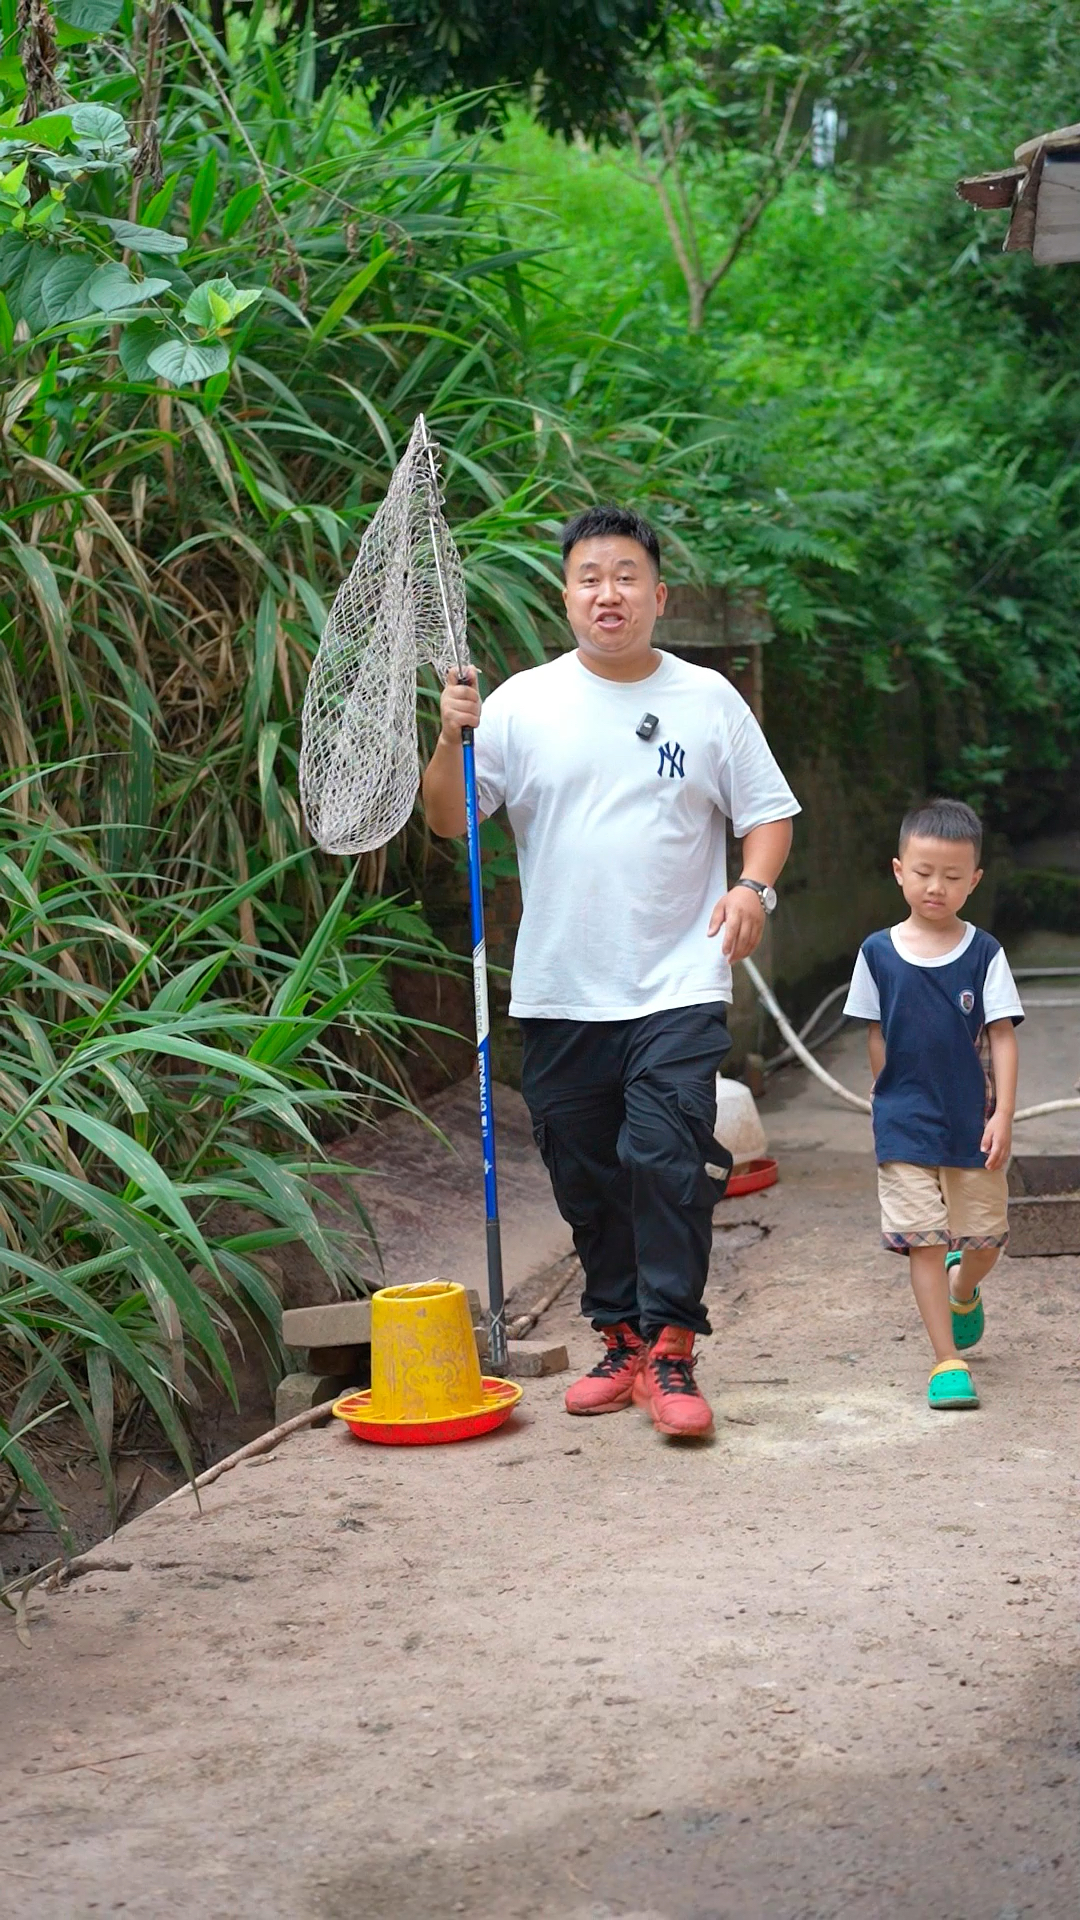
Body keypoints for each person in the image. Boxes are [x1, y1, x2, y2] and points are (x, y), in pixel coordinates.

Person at [422, 503, 799, 1439]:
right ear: (566, 596)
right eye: (590, 577)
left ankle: (672, 1346)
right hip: (559, 987)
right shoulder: (516, 705)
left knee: (665, 1157)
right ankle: (621, 1334)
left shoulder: (708, 699)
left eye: (626, 575)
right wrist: (448, 736)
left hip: (678, 980)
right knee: (585, 1172)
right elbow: (448, 821)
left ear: (658, 594)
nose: (608, 593)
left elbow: (768, 812)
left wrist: (754, 888)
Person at [843, 798, 1024, 1411]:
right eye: (923, 873)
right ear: (899, 870)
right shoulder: (877, 953)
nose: (936, 888)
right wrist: (881, 1091)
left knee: (985, 1241)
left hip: (972, 1121)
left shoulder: (984, 953)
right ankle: (946, 1359)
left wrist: (1002, 1115)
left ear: (973, 881)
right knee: (922, 1237)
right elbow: (874, 1030)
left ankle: (963, 1289)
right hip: (904, 1121)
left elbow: (1002, 1033)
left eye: (952, 877)